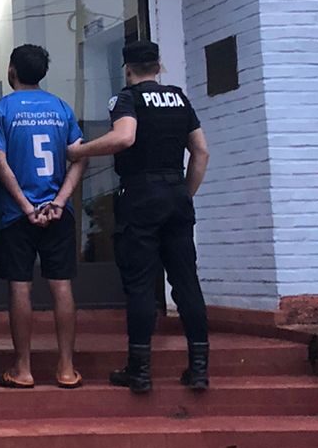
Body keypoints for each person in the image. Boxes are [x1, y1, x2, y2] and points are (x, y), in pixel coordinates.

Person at [67, 40, 211, 394]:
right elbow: (201, 151)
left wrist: (80, 151)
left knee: (141, 284)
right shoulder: (179, 98)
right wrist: (185, 193)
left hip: (141, 196)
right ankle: (199, 368)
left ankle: (140, 370)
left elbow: (124, 137)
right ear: (159, 66)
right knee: (186, 282)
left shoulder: (127, 98)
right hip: (176, 194)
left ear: (128, 69)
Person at [0, 44, 87, 390]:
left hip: (16, 214)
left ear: (11, 71)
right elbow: (79, 157)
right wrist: (59, 202)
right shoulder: (61, 108)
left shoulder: (2, 109)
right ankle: (66, 367)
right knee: (61, 285)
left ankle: (23, 368)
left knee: (20, 286)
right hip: (57, 212)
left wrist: (24, 205)